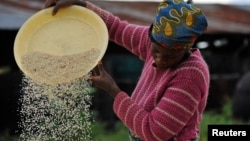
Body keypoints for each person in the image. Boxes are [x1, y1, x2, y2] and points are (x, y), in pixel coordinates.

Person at [44, 0, 210, 140]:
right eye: (156, 52)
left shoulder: (190, 75)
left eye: (170, 57)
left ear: (185, 49)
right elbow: (116, 28)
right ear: (151, 38)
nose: (159, 59)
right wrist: (81, 4)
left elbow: (154, 132)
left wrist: (113, 90)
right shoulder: (152, 40)